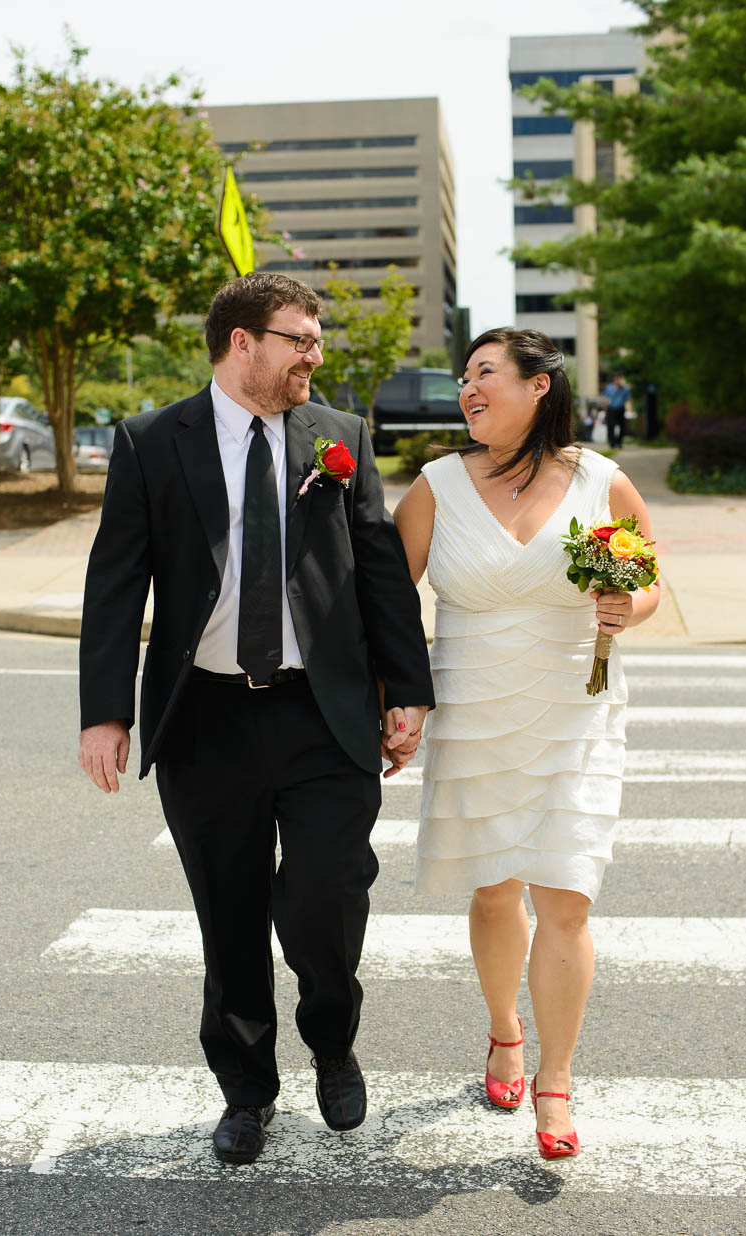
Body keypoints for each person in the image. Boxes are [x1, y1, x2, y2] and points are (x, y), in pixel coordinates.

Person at [77, 273, 433, 1165]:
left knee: (326, 896)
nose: (316, 354)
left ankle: (332, 1038)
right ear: (245, 344)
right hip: (204, 719)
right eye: (300, 339)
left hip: (324, 715)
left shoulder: (338, 438)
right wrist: (104, 713)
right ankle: (247, 1092)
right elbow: (117, 581)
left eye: (316, 339)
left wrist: (409, 691)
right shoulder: (154, 440)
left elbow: (379, 573)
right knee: (229, 914)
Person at [393, 328, 659, 1161]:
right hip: (472, 702)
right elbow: (388, 606)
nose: (468, 390)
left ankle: (555, 1079)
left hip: (574, 705)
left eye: (485, 375)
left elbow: (645, 579)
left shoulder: (599, 480)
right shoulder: (434, 485)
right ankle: (503, 1031)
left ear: (538, 385)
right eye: (463, 379)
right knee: (494, 890)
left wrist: (628, 609)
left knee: (567, 896)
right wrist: (394, 702)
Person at [602, 372, 632, 448]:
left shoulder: (624, 389)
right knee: (611, 427)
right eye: (616, 379)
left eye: (619, 379)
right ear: (614, 379)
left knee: (622, 427)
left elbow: (628, 399)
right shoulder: (609, 388)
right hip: (611, 409)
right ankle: (612, 442)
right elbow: (605, 400)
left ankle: (619, 442)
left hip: (620, 409)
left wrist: (630, 409)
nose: (618, 381)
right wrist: (605, 410)